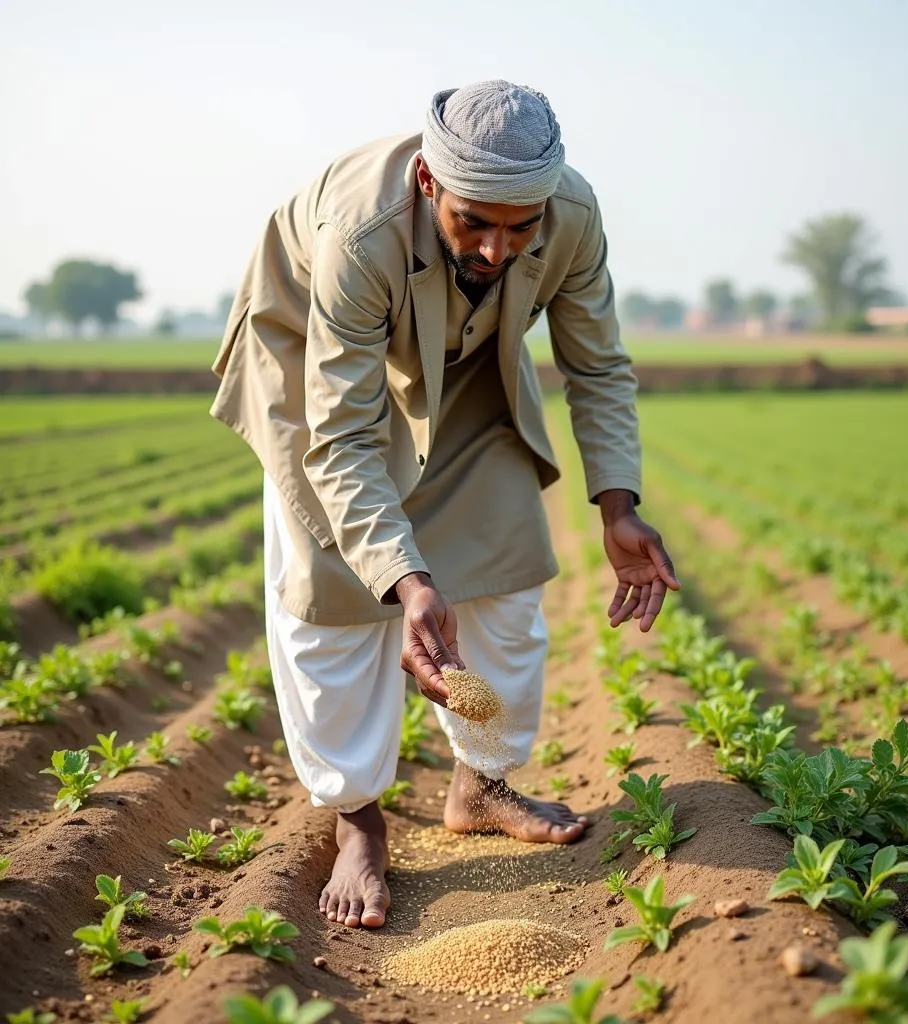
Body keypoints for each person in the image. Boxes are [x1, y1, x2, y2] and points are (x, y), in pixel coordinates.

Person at [209, 80, 679, 931]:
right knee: (335, 592)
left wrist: (618, 507)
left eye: (520, 227)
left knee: (505, 569)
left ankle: (483, 784)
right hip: (310, 357)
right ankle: (358, 822)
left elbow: (599, 366)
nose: (499, 251)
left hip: (466, 364)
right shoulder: (362, 233)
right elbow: (344, 436)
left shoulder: (571, 215)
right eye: (476, 223)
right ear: (430, 183)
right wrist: (407, 579)